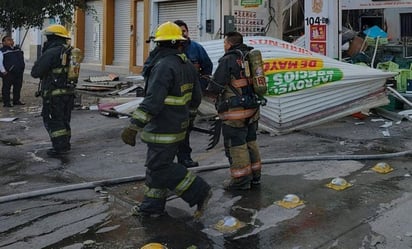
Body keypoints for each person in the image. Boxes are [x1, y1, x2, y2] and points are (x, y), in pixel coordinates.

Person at [121, 21, 212, 218]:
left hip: (163, 128)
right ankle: (151, 206)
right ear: (179, 44)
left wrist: (134, 125)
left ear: (161, 45)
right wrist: (188, 120)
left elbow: (153, 101)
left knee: (159, 167)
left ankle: (199, 191)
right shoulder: (187, 64)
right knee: (156, 168)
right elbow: (196, 98)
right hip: (178, 126)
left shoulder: (163, 66)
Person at [206, 31, 262, 190]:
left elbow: (216, 86)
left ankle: (241, 181)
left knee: (236, 145)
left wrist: (207, 89)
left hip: (235, 112)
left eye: (224, 43)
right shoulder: (250, 57)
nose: (224, 46)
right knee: (250, 142)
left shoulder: (228, 59)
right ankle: (255, 177)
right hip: (252, 110)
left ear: (229, 43)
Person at [31, 24, 76, 156]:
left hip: (53, 94)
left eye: (48, 37)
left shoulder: (51, 52)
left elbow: (35, 72)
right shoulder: (69, 51)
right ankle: (65, 144)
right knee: (64, 120)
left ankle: (59, 148)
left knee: (54, 120)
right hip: (68, 93)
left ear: (52, 37)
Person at [174, 20, 213, 168]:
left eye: (184, 31)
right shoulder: (166, 49)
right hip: (171, 100)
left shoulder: (196, 48)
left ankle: (185, 158)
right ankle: (166, 162)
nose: (183, 34)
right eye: (179, 31)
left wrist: (200, 87)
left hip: (190, 99)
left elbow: (207, 68)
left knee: (186, 128)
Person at [0, 35, 25, 107]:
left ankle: (16, 100)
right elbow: (0, 62)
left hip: (19, 72)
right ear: (3, 42)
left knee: (17, 87)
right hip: (8, 72)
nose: (11, 41)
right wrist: (3, 71)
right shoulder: (2, 51)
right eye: (8, 40)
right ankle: (6, 102)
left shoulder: (17, 49)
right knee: (6, 88)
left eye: (11, 40)